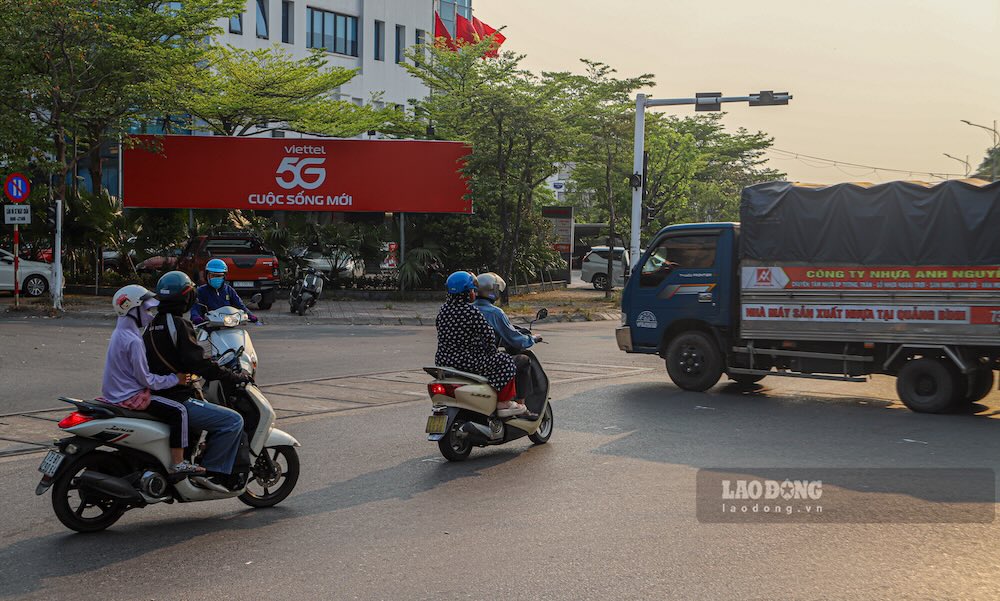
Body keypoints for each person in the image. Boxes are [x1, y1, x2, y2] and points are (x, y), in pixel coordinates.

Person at [144, 271, 250, 493]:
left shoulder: (152, 326)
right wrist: (232, 376)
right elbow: (198, 363)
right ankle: (213, 473)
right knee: (233, 421)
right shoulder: (179, 325)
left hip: (156, 394)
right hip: (176, 396)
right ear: (187, 297)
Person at [101, 285, 203, 475]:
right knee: (179, 411)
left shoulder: (120, 333)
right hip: (130, 396)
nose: (150, 315)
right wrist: (175, 379)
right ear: (132, 309)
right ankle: (178, 463)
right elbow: (147, 380)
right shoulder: (134, 340)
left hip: (114, 394)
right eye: (147, 310)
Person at [434, 271, 527, 417]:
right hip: (467, 361)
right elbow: (488, 334)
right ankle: (503, 402)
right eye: (472, 290)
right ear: (465, 293)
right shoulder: (471, 311)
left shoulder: (443, 310)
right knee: (506, 362)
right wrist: (491, 352)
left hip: (443, 361)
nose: (474, 293)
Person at [475, 272, 542, 413]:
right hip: (483, 361)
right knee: (523, 360)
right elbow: (515, 339)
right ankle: (521, 405)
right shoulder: (495, 313)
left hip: (464, 360)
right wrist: (532, 338)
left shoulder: (466, 310)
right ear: (493, 290)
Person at [189, 258, 258, 325]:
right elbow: (195, 307)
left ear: (224, 277)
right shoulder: (200, 291)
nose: (216, 278)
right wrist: (196, 317)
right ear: (206, 276)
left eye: (219, 276)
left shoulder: (229, 290)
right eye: (213, 275)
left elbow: (240, 305)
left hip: (228, 324)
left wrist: (250, 315)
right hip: (207, 326)